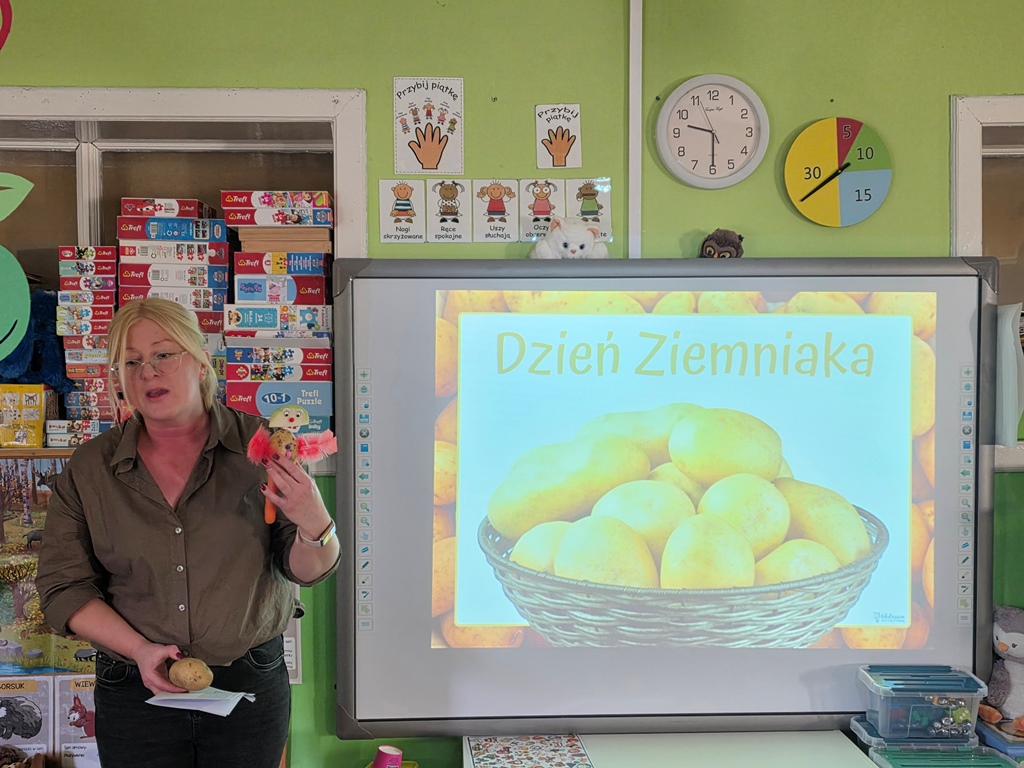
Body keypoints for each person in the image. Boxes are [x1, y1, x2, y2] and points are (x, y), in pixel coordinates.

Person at [36, 297, 340, 768]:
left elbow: (305, 570)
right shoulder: (90, 468)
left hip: (247, 683)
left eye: (163, 354)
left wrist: (314, 522)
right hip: (134, 688)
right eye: (131, 362)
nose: (147, 372)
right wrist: (140, 650)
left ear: (200, 362)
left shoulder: (261, 448)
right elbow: (63, 586)